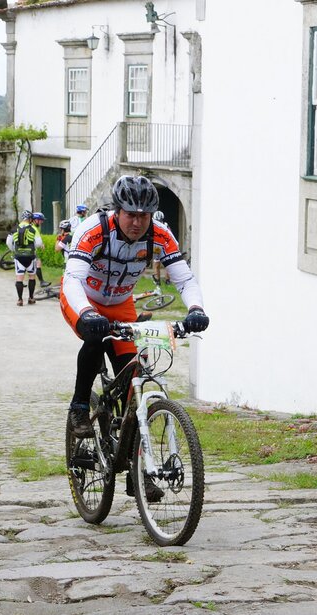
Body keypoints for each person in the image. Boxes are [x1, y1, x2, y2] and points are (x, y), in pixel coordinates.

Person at [60, 175, 209, 439]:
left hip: (121, 304)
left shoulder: (160, 235)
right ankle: (79, 407)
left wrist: (196, 309)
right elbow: (73, 280)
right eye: (130, 215)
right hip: (83, 299)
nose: (137, 223)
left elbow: (184, 279)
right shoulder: (93, 230)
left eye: (144, 216)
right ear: (117, 211)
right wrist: (87, 312)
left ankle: (130, 452)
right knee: (94, 338)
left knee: (130, 376)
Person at [6, 210, 44, 306]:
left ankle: (20, 300)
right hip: (30, 256)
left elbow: (8, 242)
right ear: (30, 219)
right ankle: (31, 298)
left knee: (19, 278)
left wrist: (14, 250)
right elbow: (39, 243)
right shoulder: (33, 228)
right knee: (32, 276)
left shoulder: (14, 228)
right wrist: (32, 247)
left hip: (18, 257)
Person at [30, 212, 51, 287]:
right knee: (38, 263)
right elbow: (38, 242)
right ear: (35, 220)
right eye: (41, 220)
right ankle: (42, 282)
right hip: (30, 250)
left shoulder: (29, 226)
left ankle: (20, 282)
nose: (42, 222)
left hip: (24, 249)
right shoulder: (34, 228)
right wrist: (41, 244)